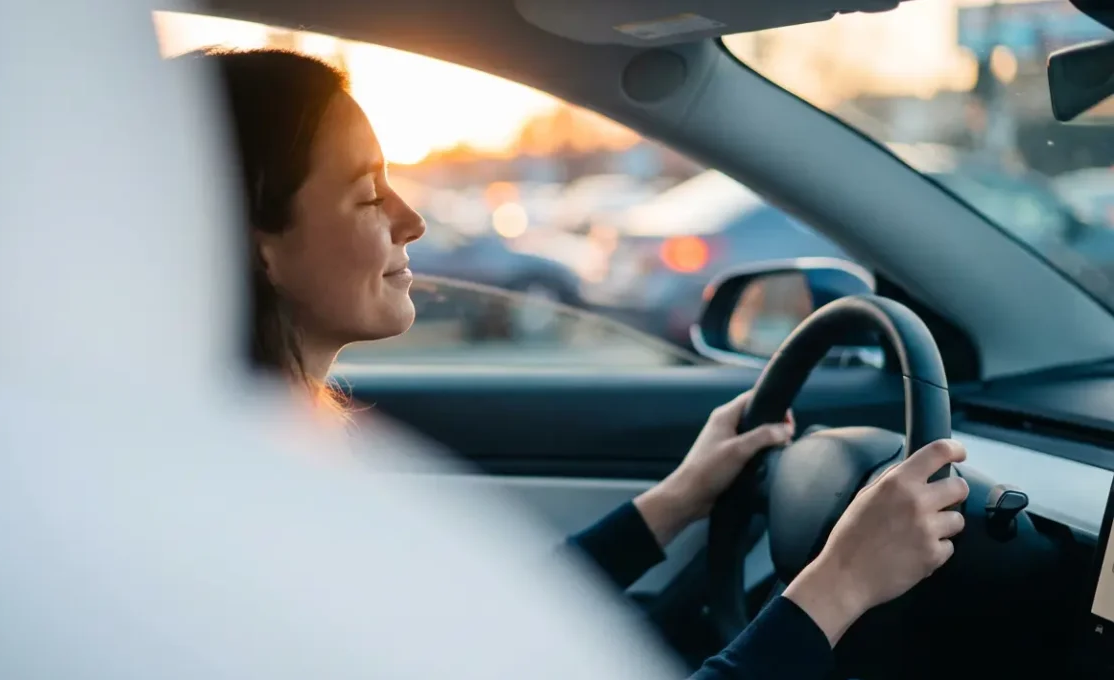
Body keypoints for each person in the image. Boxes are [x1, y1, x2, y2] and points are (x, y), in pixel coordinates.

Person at [197, 47, 970, 679]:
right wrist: (841, 583)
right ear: (257, 244)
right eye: (369, 196)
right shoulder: (242, 514)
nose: (413, 219)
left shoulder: (265, 456)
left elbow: (478, 629)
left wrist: (674, 501)